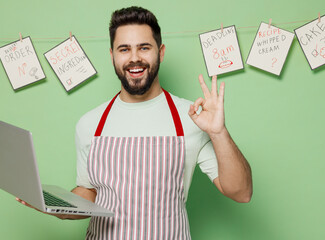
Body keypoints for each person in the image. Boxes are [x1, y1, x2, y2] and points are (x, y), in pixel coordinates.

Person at [18, 6, 252, 239]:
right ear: (112, 55)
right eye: (124, 49)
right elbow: (88, 194)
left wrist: (219, 132)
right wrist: (51, 204)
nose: (134, 58)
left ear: (160, 53)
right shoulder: (90, 123)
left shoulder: (191, 117)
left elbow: (241, 192)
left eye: (144, 47)